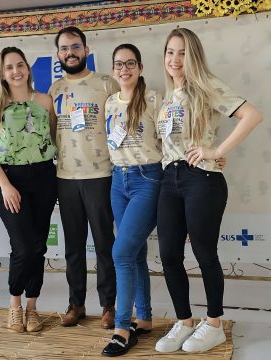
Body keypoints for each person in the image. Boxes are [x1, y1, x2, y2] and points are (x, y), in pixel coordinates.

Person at [155, 28, 263, 353]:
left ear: (195, 56)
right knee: (169, 256)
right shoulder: (166, 97)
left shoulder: (206, 85)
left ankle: (213, 323)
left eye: (183, 52)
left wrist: (216, 151)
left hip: (201, 179)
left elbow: (252, 115)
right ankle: (184, 321)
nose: (175, 59)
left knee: (204, 254)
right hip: (168, 180)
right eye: (171, 52)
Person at [0, 47, 57, 333]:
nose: (16, 71)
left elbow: (53, 138)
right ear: (2, 73)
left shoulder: (45, 101)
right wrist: (6, 186)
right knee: (23, 246)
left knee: (38, 246)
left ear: (28, 68)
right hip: (8, 178)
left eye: (20, 65)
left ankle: (32, 307)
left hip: (44, 177)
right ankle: (14, 305)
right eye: (9, 67)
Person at [49, 26, 119, 329]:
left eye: (75, 46)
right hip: (65, 177)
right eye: (64, 48)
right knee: (74, 247)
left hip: (100, 174)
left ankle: (108, 306)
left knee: (104, 244)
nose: (70, 53)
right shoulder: (54, 90)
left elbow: (122, 123)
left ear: (86, 50)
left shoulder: (106, 83)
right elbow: (51, 131)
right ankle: (76, 304)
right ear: (58, 55)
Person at [101, 44, 163, 357]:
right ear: (113, 70)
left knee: (121, 253)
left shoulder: (154, 99)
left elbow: (170, 138)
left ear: (139, 66)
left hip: (147, 179)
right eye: (118, 64)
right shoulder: (111, 102)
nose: (124, 69)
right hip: (118, 181)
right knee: (135, 254)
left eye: (130, 63)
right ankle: (146, 318)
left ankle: (122, 328)